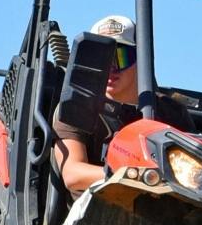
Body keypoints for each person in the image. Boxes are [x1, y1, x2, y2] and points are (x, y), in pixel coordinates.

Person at [52, 15, 143, 197]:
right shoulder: (75, 106)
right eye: (102, 59)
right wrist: (133, 177)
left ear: (141, 58)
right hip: (93, 216)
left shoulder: (169, 111)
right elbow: (73, 175)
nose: (110, 68)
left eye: (121, 57)